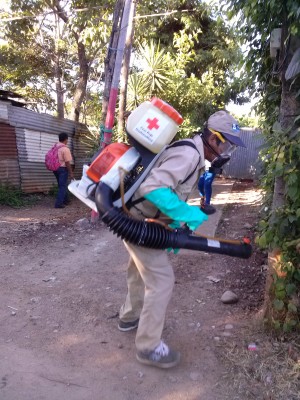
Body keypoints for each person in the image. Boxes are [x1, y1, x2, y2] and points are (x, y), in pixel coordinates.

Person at [118, 110, 246, 369]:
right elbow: (151, 188)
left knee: (138, 269)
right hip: (141, 220)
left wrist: (176, 222)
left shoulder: (194, 153)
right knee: (162, 281)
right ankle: (148, 347)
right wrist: (186, 213)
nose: (227, 150)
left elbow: (171, 190)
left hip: (140, 218)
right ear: (214, 138)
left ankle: (129, 317)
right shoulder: (190, 154)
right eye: (227, 143)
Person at [53, 132, 74, 209]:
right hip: (62, 169)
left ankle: (66, 200)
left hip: (55, 168)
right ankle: (58, 204)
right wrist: (71, 173)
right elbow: (67, 163)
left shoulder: (55, 146)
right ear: (66, 139)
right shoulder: (65, 149)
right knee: (62, 186)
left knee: (62, 185)